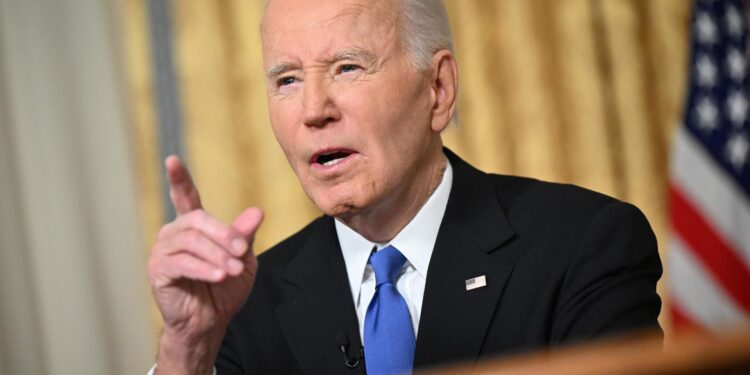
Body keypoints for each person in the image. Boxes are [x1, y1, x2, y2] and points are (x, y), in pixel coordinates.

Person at [147, 0, 663, 374]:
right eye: (287, 80)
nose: (313, 110)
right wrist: (187, 349)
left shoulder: (583, 246)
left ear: (438, 89)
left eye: (347, 68)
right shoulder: (241, 307)